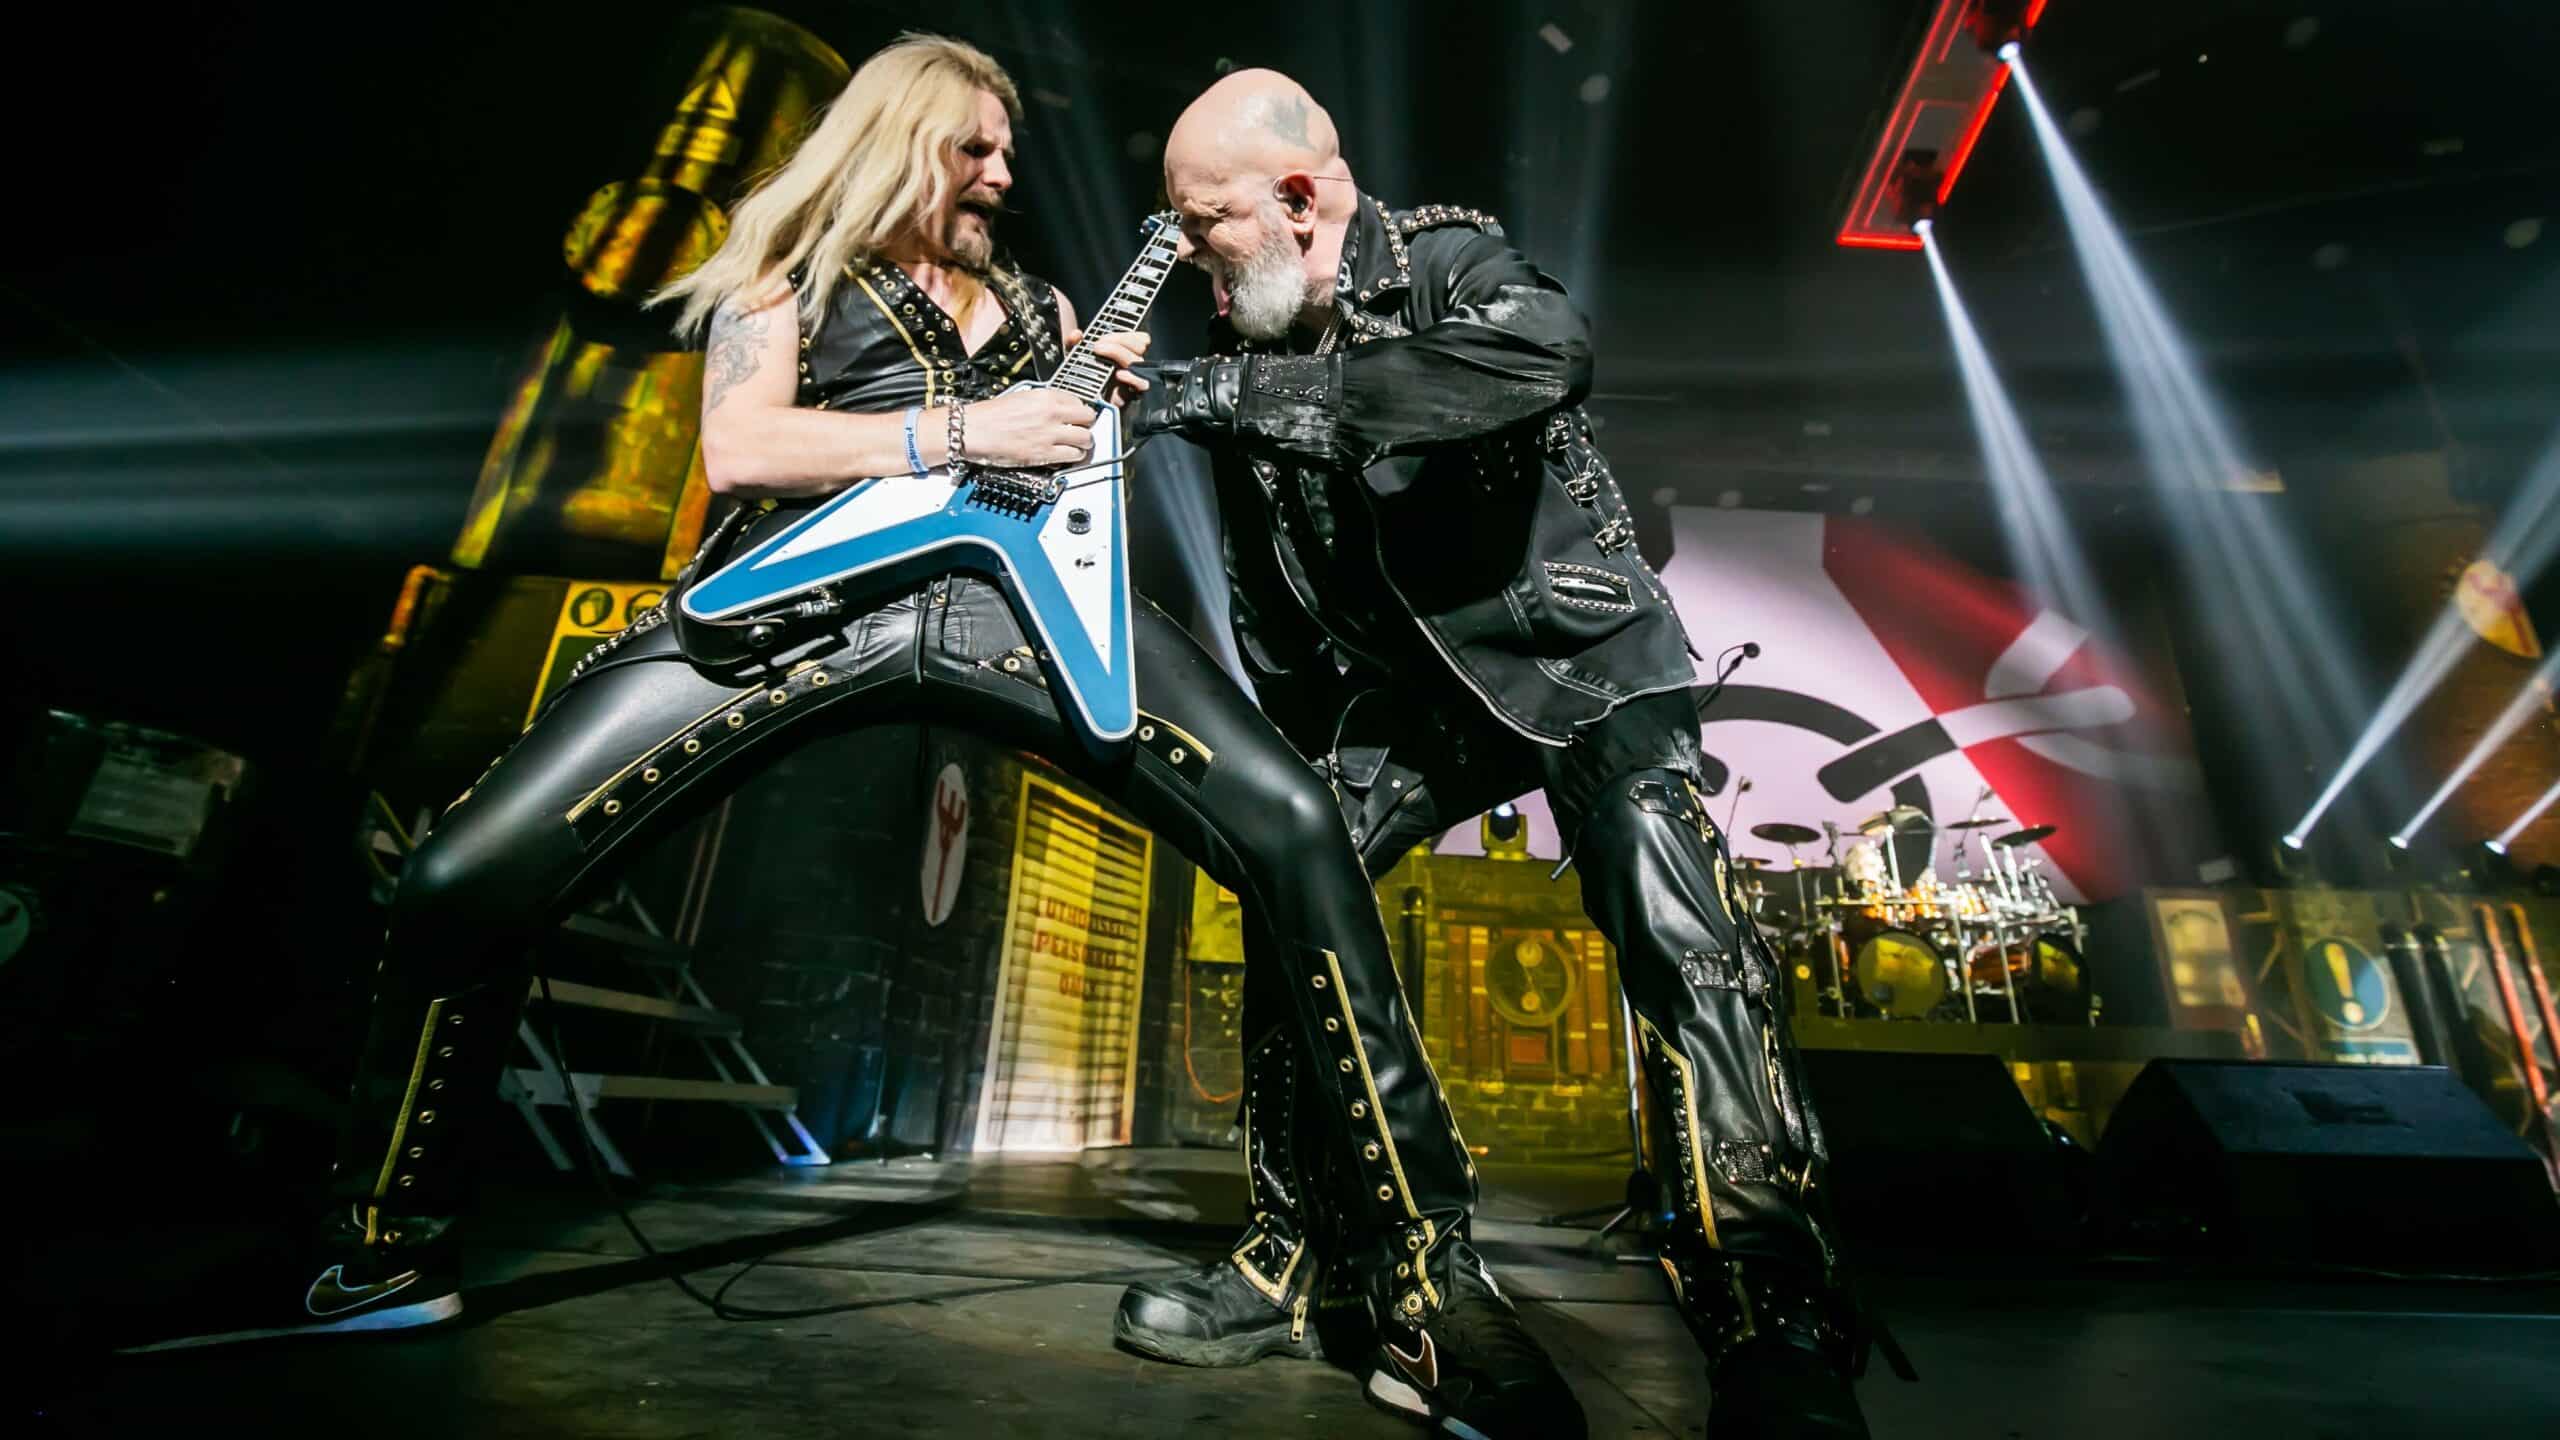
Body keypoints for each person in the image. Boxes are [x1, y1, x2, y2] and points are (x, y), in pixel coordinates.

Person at [112, 43, 1576, 1426]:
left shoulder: (1048, 304)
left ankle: (1423, 1283)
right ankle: (380, 1245)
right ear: (897, 134)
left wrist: (1101, 416)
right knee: (462, 872)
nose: (1005, 173)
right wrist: (963, 434)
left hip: (1011, 614)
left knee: (1298, 826)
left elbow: (1090, 463)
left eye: (1009, 150)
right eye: (977, 146)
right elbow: (740, 447)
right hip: (793, 606)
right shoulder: (788, 265)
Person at [1113, 69, 1908, 1438]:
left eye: (1207, 221)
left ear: (1298, 198)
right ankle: (1300, 1253)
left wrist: (1216, 392)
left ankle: (1767, 1308)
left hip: (1576, 659)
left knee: (1681, 928)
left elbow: (1542, 357)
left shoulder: (1446, 260)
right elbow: (1270, 591)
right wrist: (1295, 777)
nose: (1189, 252)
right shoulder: (1253, 334)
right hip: (1413, 700)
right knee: (1299, 889)